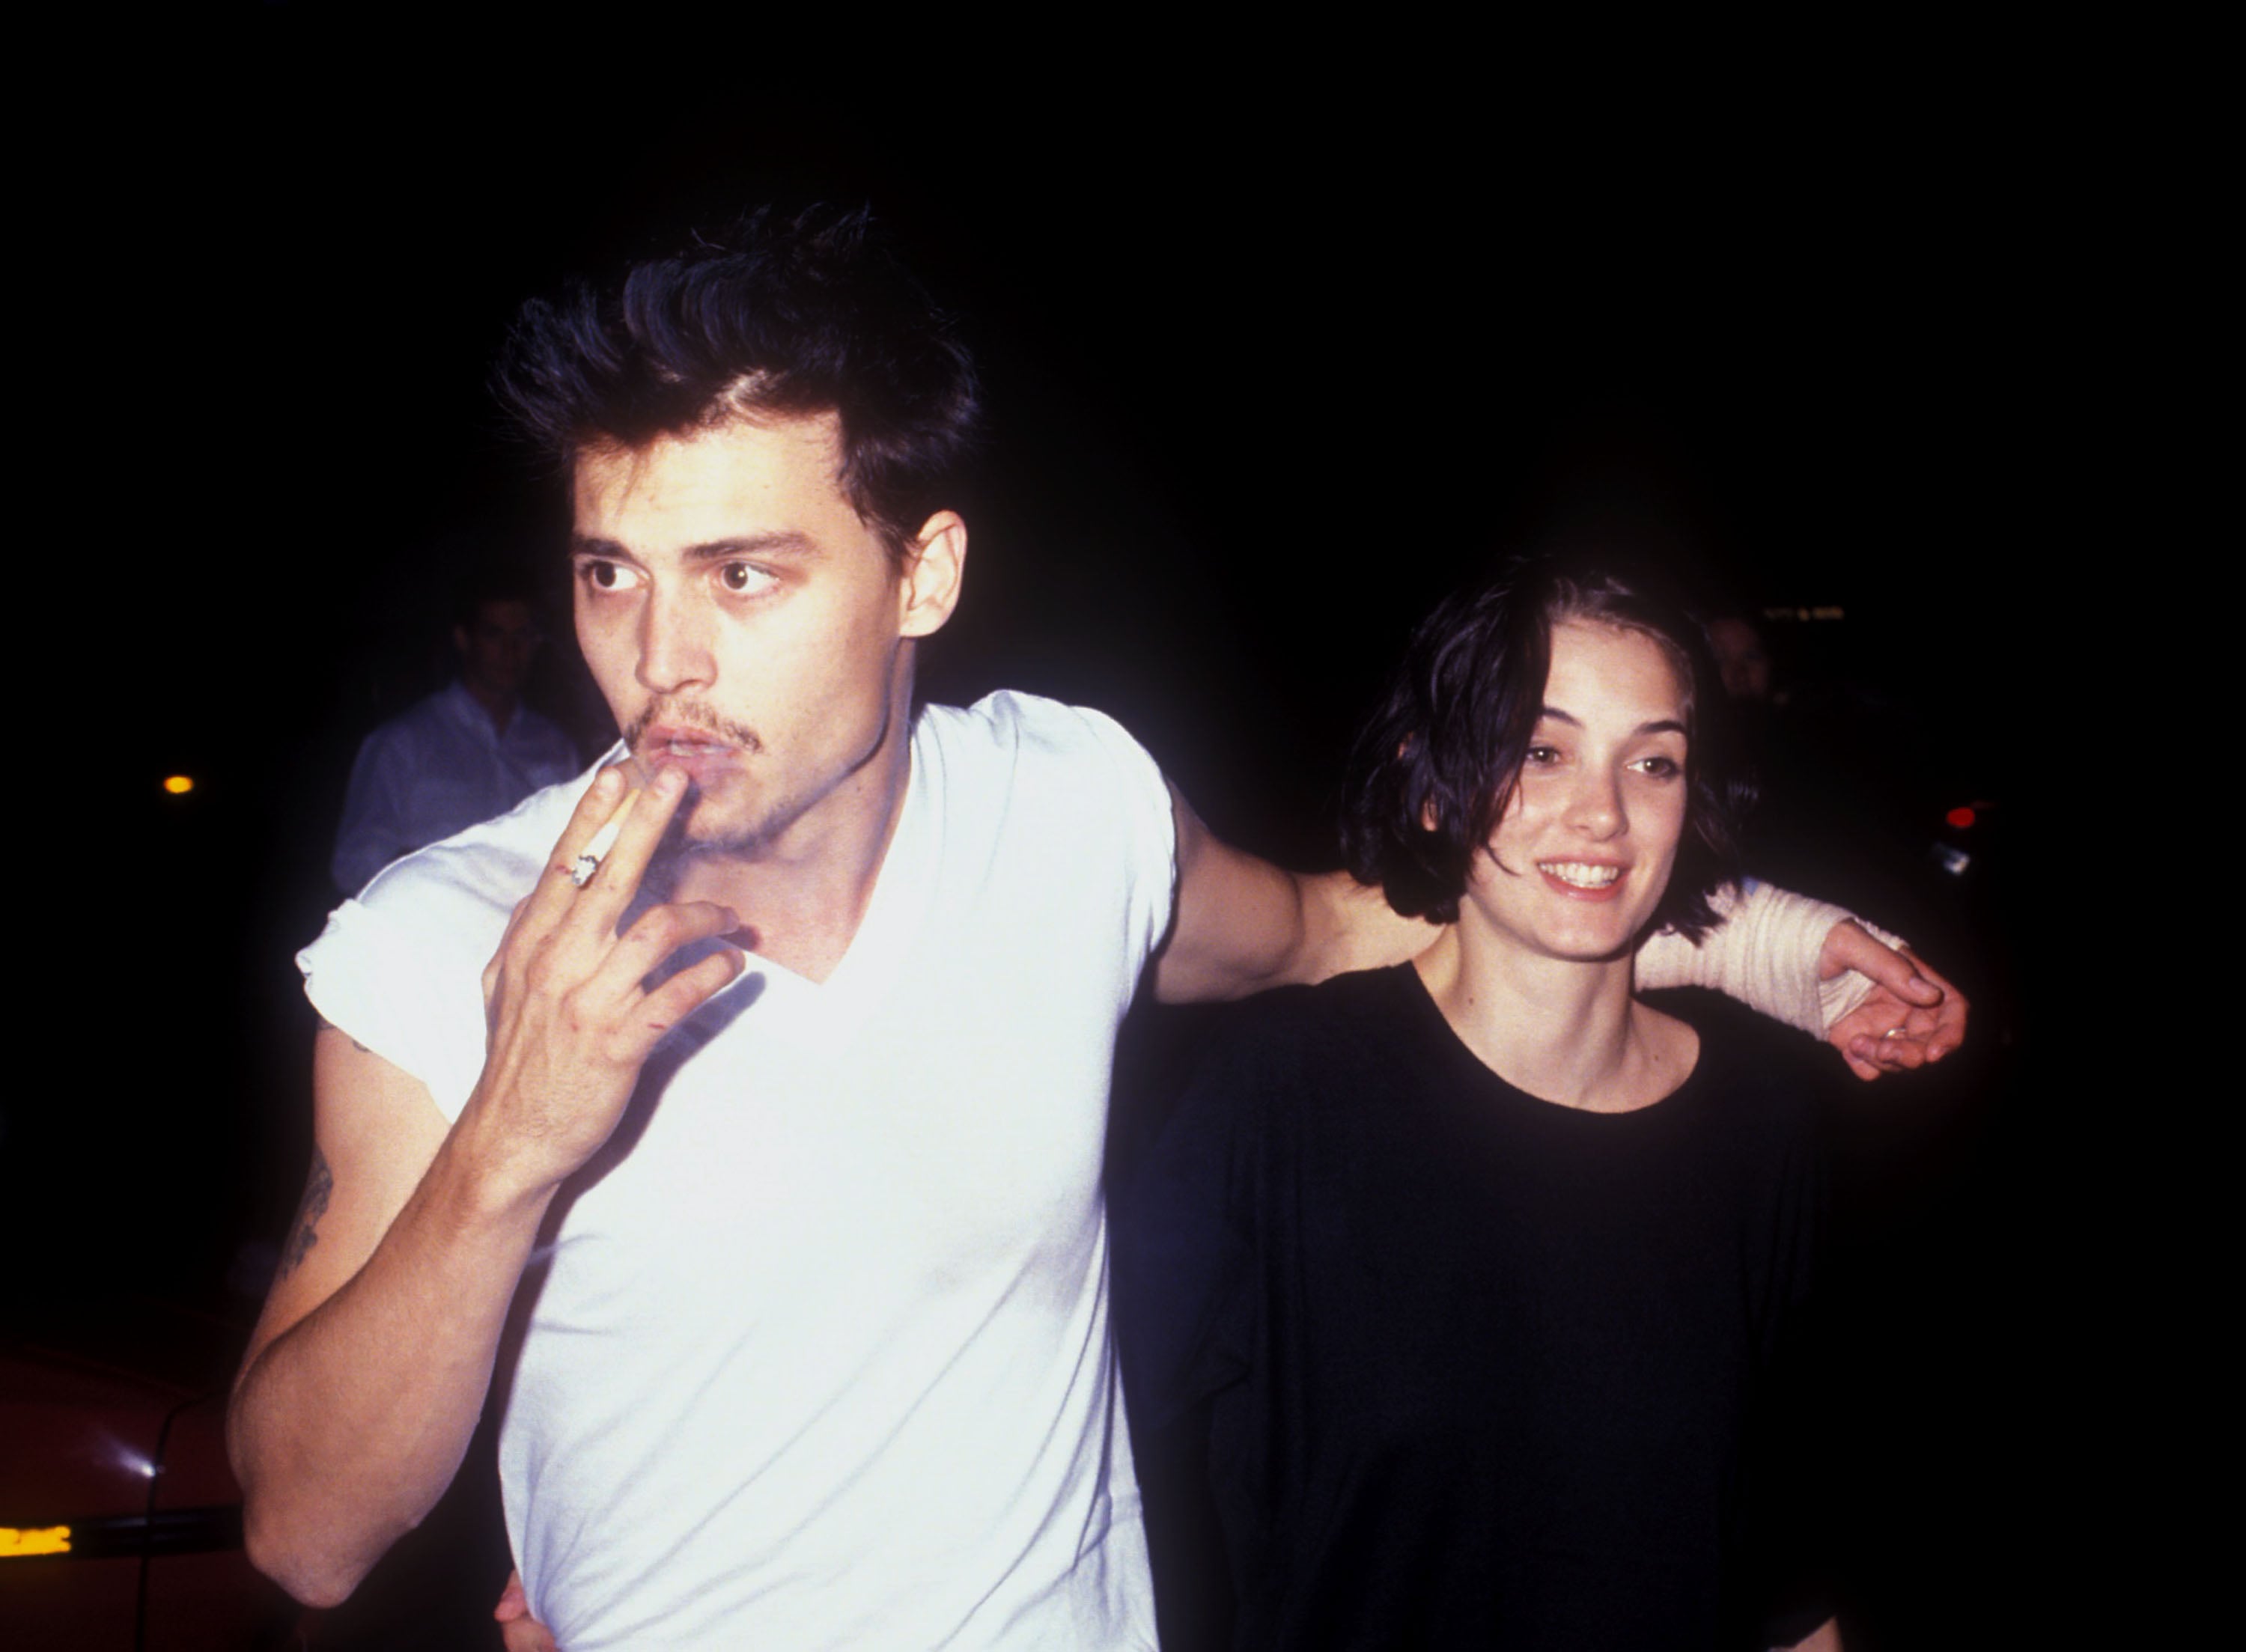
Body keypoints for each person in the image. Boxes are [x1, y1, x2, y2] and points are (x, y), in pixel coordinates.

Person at [226, 208, 1960, 1651]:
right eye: (612, 570)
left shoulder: (1067, 811)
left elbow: (1340, 925)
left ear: (924, 575)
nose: (657, 655)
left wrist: (1759, 944)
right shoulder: (443, 940)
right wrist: (508, 1147)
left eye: (741, 573)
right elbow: (304, 1532)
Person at [1114, 557, 1859, 1649]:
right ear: (1432, 784)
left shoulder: (1763, 1128)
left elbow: (1786, 1574)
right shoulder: (1278, 1097)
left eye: (1653, 761)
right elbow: (1081, 1478)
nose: (1602, 812)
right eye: (1542, 751)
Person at [330, 578, 580, 893]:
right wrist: (432, 877)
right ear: (464, 639)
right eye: (494, 634)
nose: (511, 651)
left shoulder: (555, 746)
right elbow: (354, 862)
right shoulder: (403, 742)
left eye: (523, 635)